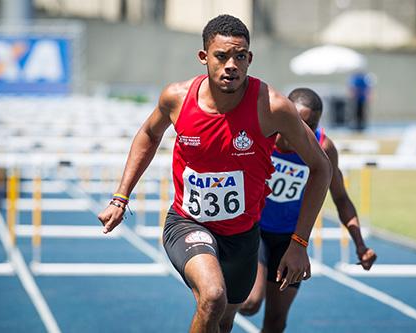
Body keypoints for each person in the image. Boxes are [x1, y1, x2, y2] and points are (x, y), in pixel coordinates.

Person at [97, 15, 332, 333]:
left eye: (239, 56)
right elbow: (149, 135)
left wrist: (299, 242)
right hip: (188, 222)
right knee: (212, 296)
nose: (231, 65)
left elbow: (321, 168)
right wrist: (120, 196)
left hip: (242, 236)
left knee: (223, 322)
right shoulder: (177, 98)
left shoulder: (273, 107)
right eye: (221, 56)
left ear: (249, 59)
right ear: (204, 57)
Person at [239, 87, 377, 333]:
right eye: (298, 123)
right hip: (255, 230)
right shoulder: (263, 135)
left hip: (291, 239)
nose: (303, 132)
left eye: (311, 126)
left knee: (276, 321)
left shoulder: (323, 148)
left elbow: (341, 198)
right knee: (249, 302)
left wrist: (359, 243)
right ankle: (221, 302)